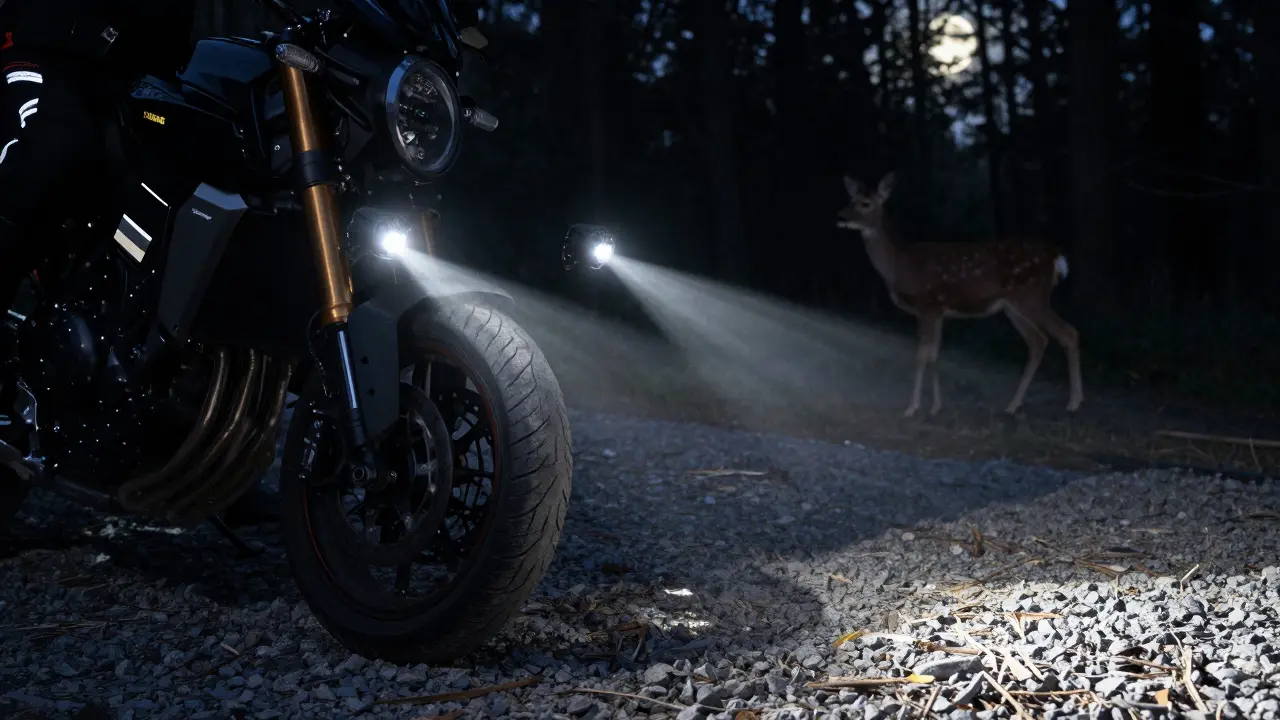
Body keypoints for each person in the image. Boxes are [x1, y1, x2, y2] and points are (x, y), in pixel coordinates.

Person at [0, 0, 280, 527]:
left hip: (150, 67)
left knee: (226, 194)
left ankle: (214, 451)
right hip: (47, 46)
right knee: (47, 151)